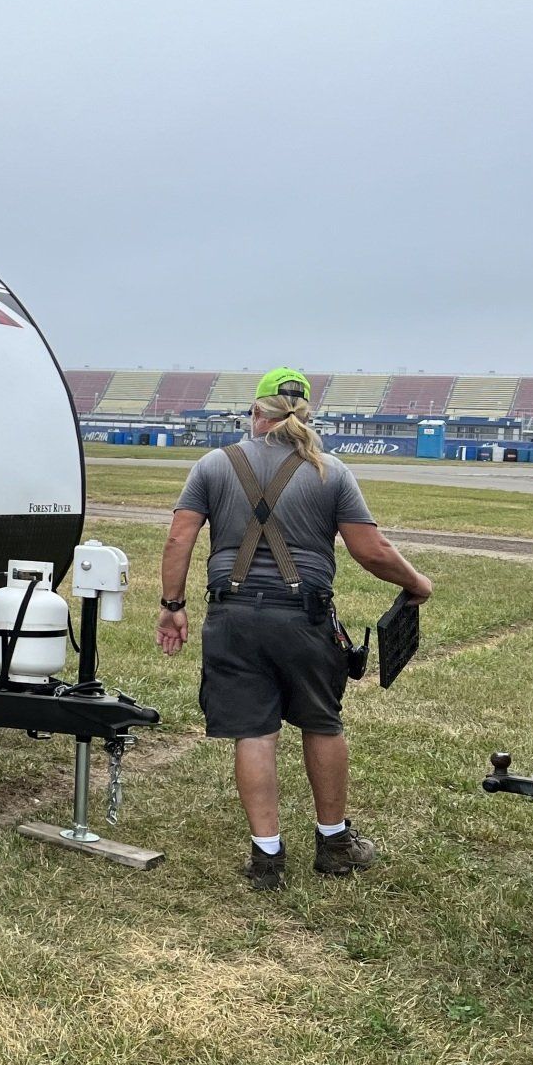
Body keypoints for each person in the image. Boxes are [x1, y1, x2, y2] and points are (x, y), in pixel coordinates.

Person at [156, 367, 433, 890]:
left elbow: (178, 540)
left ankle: (267, 858)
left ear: (254, 414)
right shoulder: (330, 470)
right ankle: (334, 844)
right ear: (306, 416)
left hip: (232, 616)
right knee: (322, 723)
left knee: (254, 733)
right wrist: (418, 583)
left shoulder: (214, 465)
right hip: (304, 617)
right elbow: (371, 550)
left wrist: (173, 604)